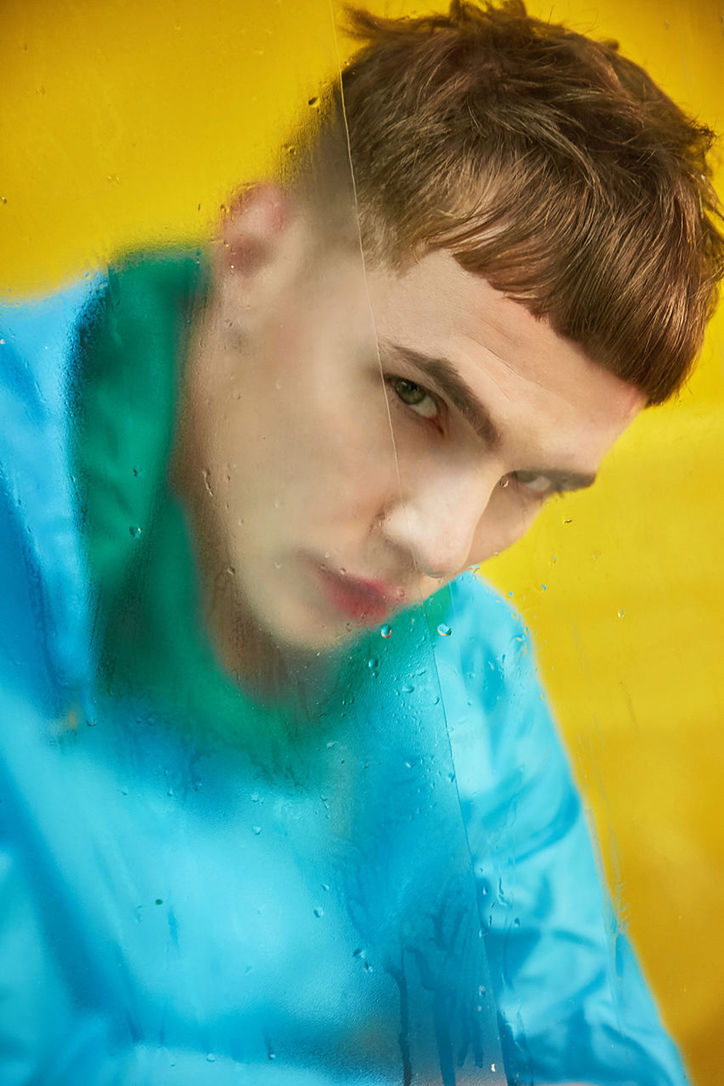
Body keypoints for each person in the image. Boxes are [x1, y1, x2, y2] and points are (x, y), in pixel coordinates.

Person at [0, 2, 721, 1083]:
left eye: (531, 482)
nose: (438, 544)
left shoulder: (465, 670)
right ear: (249, 257)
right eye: (416, 396)